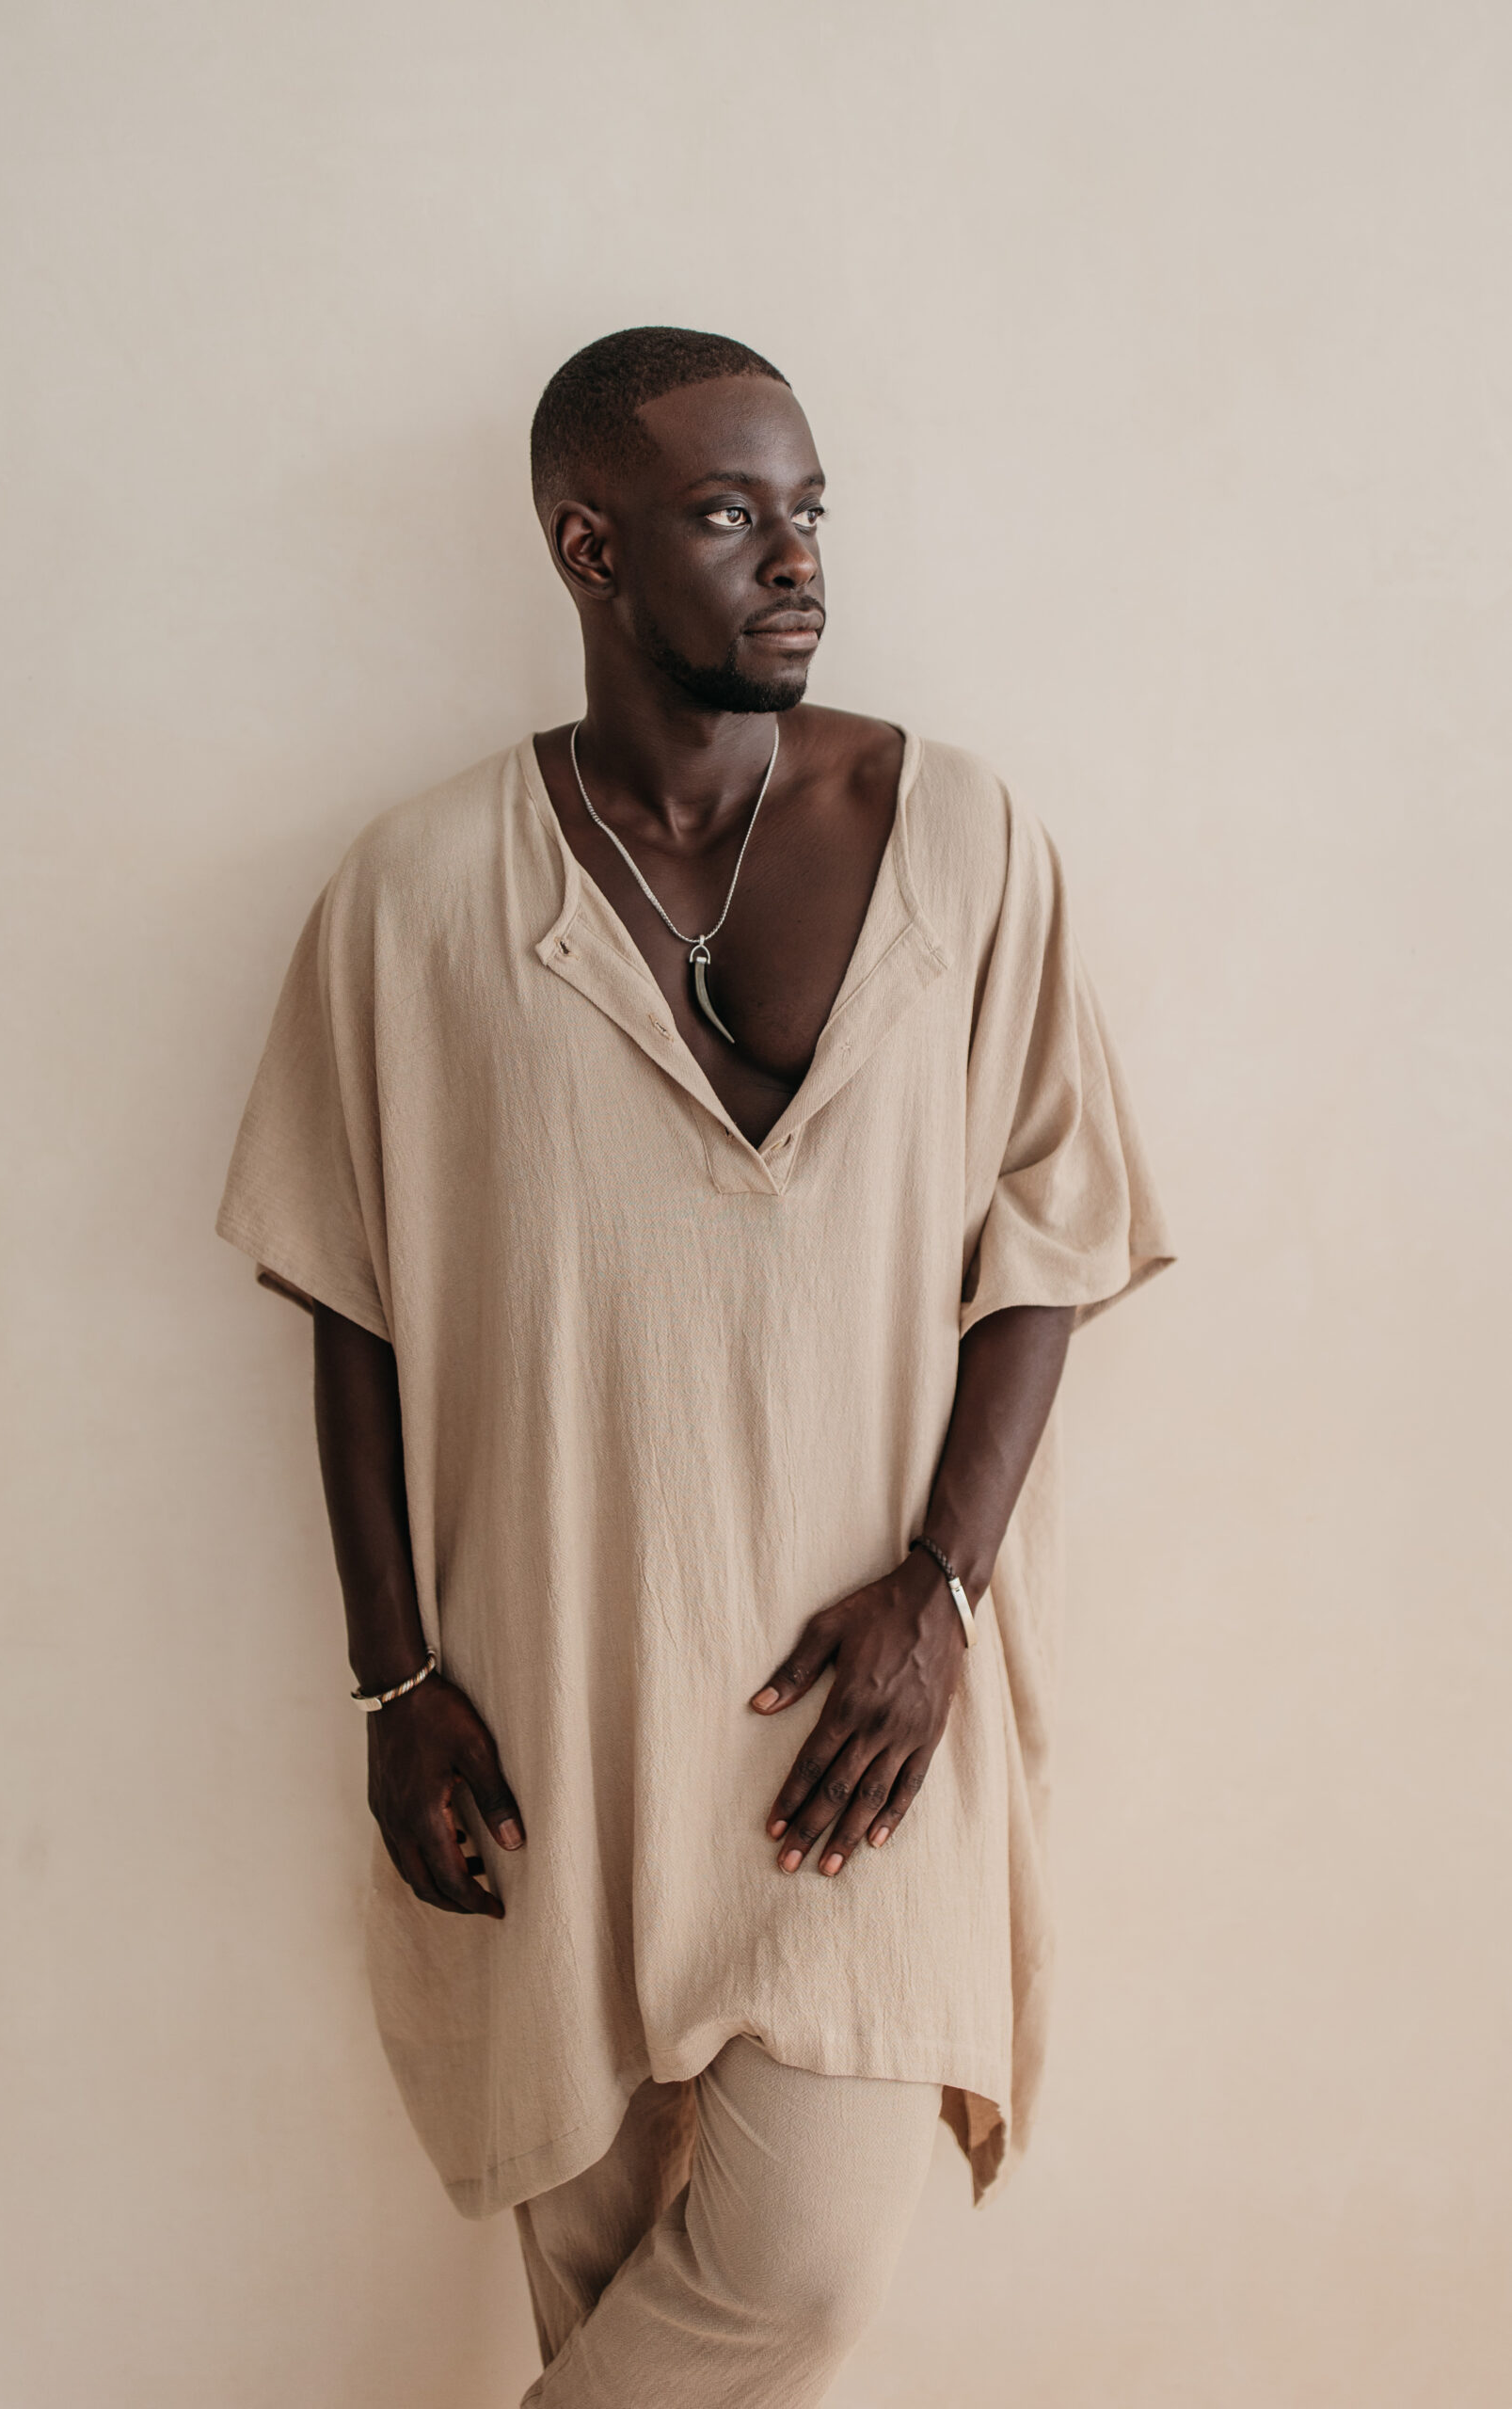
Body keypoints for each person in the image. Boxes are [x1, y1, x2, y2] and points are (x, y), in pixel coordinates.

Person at [217, 325, 1174, 2406]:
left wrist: (942, 1589)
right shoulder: (415, 893)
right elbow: (348, 1300)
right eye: (732, 515)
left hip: (863, 1715)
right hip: (545, 1713)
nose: (797, 559)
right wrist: (391, 1681)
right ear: (589, 548)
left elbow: (1050, 1239)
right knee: (604, 2299)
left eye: (810, 510)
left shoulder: (959, 838)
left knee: (793, 2279)